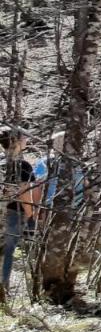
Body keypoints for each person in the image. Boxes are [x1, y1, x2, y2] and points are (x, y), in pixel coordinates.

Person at [1, 125, 36, 300]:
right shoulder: (22, 165)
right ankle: (3, 289)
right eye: (24, 137)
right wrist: (31, 215)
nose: (27, 140)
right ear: (15, 141)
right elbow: (24, 194)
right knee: (7, 251)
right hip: (13, 214)